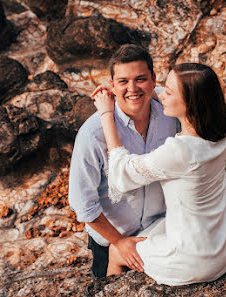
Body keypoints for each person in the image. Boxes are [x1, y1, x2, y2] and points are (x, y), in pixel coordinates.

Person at [92, 63, 226, 286]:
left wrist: (105, 114)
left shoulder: (180, 151)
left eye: (168, 92)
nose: (161, 96)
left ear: (190, 103)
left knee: (116, 250)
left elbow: (121, 173)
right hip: (223, 244)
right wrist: (136, 89)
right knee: (153, 228)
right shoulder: (219, 131)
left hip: (194, 258)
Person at [68, 44, 178, 278]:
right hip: (112, 242)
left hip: (160, 228)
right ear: (112, 85)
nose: (132, 88)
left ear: (153, 79)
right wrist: (119, 243)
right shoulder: (93, 134)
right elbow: (83, 204)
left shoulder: (170, 114)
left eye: (141, 79)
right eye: (123, 82)